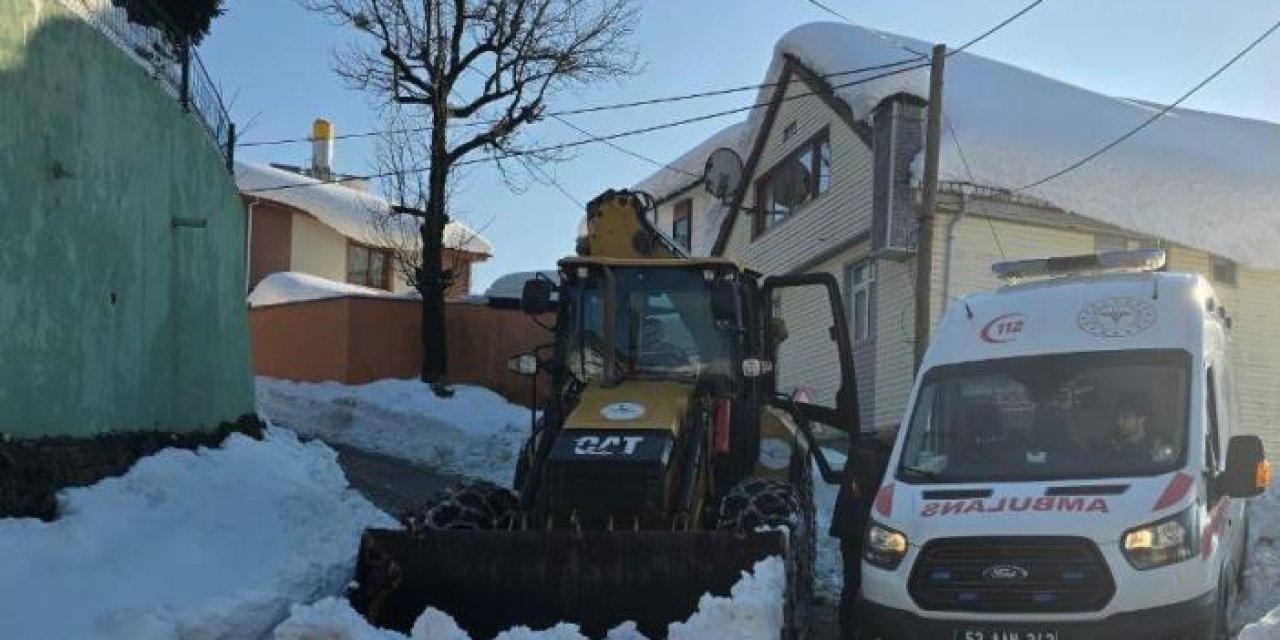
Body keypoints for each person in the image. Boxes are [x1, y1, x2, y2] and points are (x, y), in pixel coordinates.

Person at [832, 424, 897, 640]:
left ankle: (846, 630)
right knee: (865, 583)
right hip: (862, 529)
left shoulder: (863, 451)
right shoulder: (877, 456)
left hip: (850, 527)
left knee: (851, 582)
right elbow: (868, 498)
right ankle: (854, 631)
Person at [1107, 392, 1175, 464]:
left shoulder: (1159, 447)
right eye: (1118, 417)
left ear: (1142, 419)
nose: (1119, 421)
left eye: (1126, 417)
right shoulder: (1111, 447)